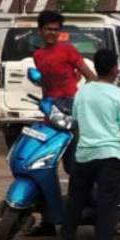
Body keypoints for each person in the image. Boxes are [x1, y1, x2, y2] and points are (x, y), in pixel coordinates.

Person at [53, 48, 120, 240]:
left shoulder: (83, 92)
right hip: (112, 155)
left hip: (85, 153)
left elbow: (77, 123)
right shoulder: (119, 95)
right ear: (115, 69)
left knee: (76, 198)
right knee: (108, 205)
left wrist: (83, 146)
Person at [32, 10, 97, 174]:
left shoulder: (68, 50)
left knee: (73, 160)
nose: (52, 33)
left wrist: (82, 101)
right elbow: (43, 83)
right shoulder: (38, 55)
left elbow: (91, 77)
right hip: (51, 109)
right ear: (41, 30)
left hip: (70, 107)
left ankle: (80, 195)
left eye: (56, 29)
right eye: (48, 29)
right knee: (46, 156)